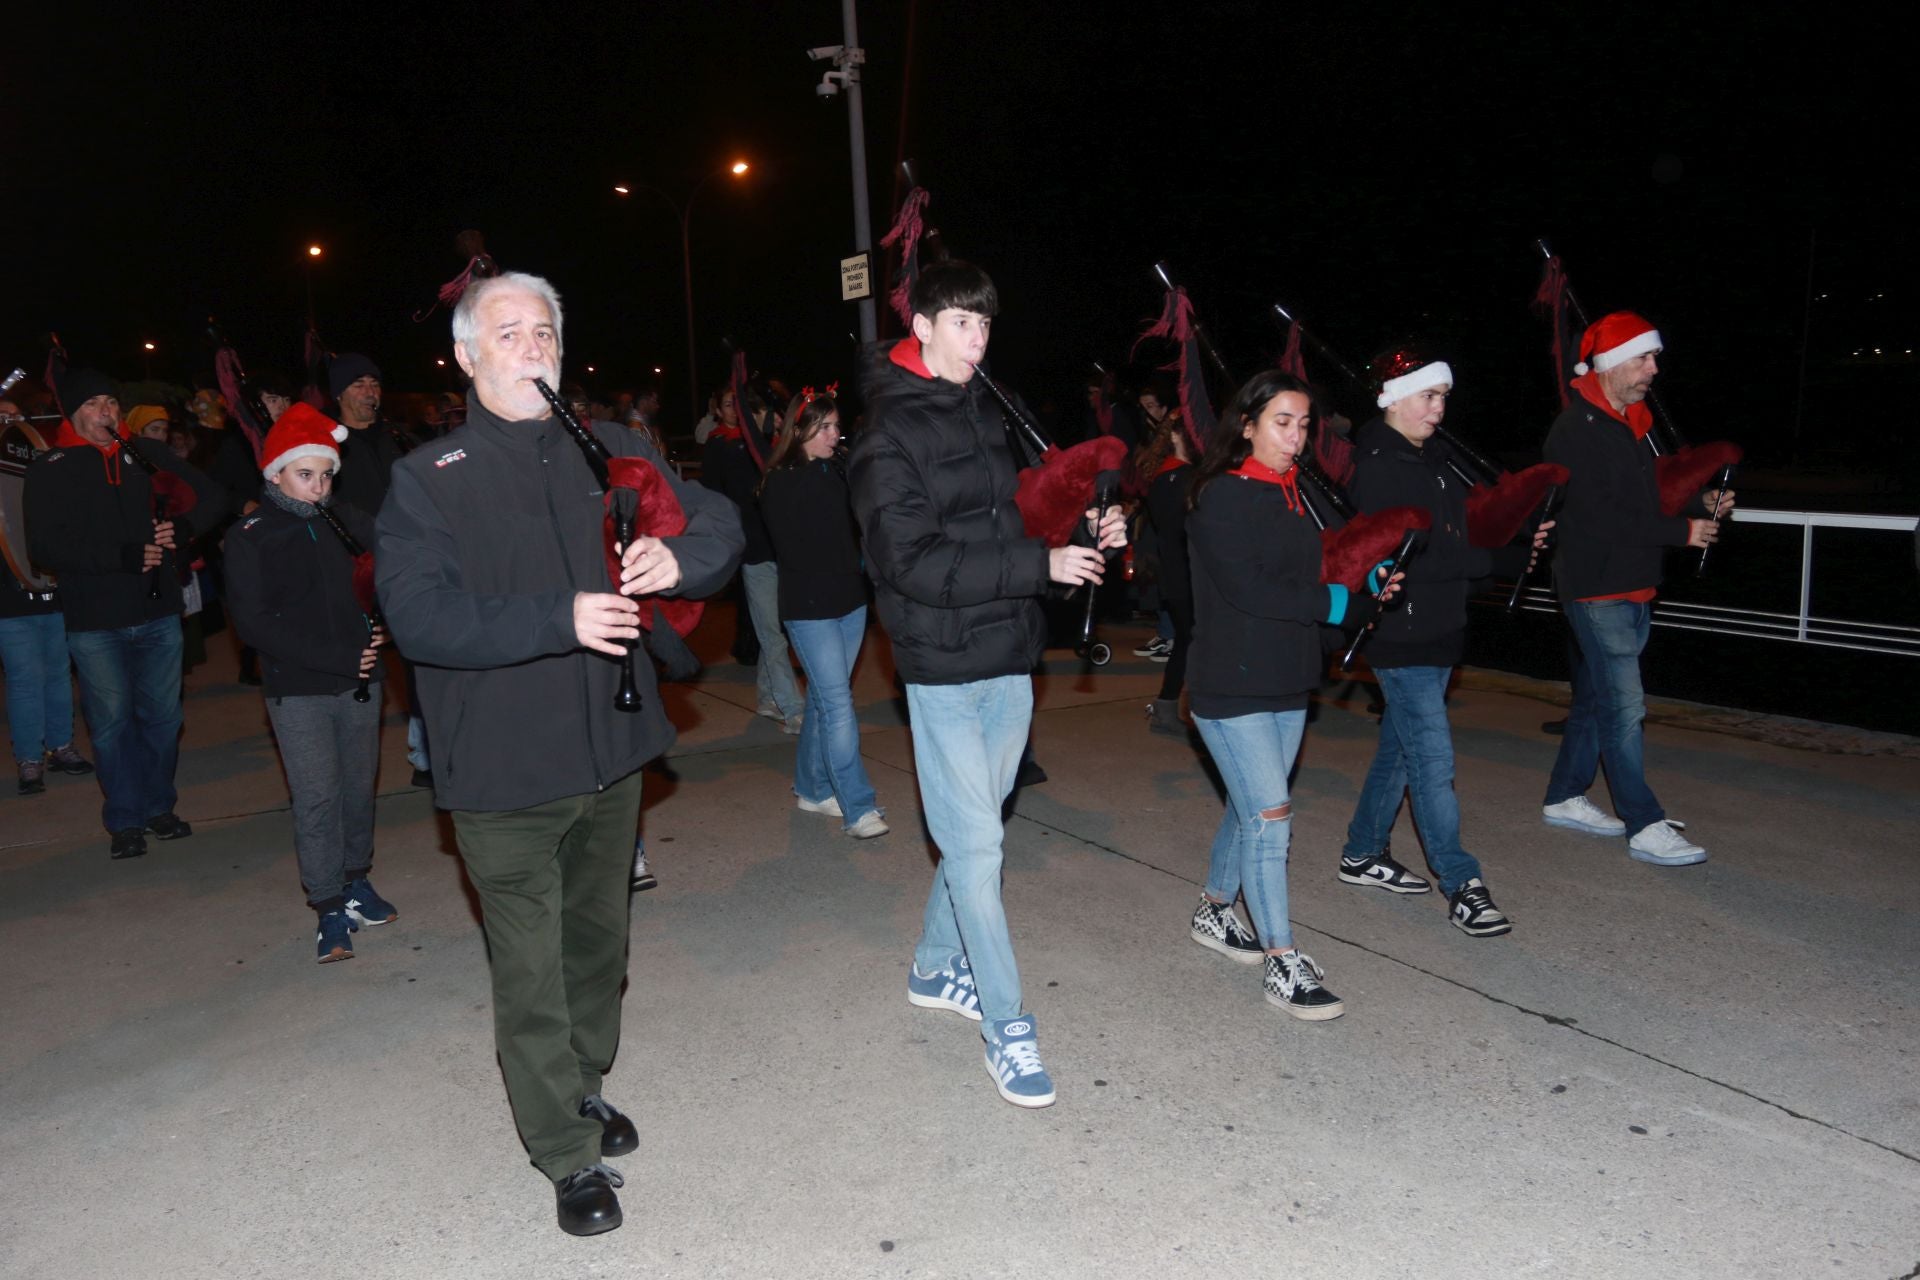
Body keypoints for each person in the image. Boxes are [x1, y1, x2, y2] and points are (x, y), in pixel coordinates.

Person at [376, 270, 743, 1235]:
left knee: (597, 949)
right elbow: (417, 616)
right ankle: (562, 1152)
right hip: (501, 772)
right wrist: (558, 616)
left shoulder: (611, 450)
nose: (531, 344)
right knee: (530, 968)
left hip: (614, 754)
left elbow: (717, 521)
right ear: (464, 356)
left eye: (544, 329)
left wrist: (680, 558)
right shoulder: (428, 479)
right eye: (508, 332)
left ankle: (578, 1085)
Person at [850, 259, 1125, 1109]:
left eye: (986, 324)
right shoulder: (882, 435)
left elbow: (1021, 509)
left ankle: (935, 968)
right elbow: (910, 561)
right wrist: (1038, 563)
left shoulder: (988, 408)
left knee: (978, 830)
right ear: (921, 326)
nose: (978, 339)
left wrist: (1082, 520)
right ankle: (1007, 1025)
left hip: (1011, 650)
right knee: (979, 850)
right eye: (962, 322)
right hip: (939, 661)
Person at [1183, 371, 1399, 1019]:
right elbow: (1254, 590)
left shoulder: (1293, 493)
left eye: (1304, 424)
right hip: (1232, 679)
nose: (1296, 436)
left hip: (1286, 676)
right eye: (1283, 421)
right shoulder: (1221, 496)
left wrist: (1369, 568)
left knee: (1252, 806)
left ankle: (1215, 912)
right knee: (1272, 817)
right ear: (1246, 424)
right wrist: (1344, 603)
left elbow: (1316, 559)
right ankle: (1284, 962)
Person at [1339, 353, 1548, 937]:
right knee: (1433, 761)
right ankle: (1462, 885)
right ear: (1392, 399)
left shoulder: (1432, 458)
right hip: (1400, 633)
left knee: (1401, 751)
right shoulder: (1379, 467)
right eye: (1427, 395)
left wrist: (1516, 537)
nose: (1439, 407)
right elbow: (1419, 557)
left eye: (1443, 396)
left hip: (1439, 630)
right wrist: (1496, 562)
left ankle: (1362, 852)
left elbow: (1459, 531)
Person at [1540, 313, 1732, 866]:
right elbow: (1597, 517)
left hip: (1635, 583)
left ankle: (1564, 796)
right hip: (1597, 586)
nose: (1654, 368)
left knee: (1597, 700)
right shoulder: (1576, 430)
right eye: (1644, 358)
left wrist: (1700, 506)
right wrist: (1683, 532)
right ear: (1610, 363)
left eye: (1654, 358)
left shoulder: (1634, 426)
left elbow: (1651, 497)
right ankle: (1643, 823)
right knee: (1625, 706)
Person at [24, 368, 227, 858]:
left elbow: (213, 497)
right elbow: (44, 545)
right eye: (94, 404)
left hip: (158, 614)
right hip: (96, 621)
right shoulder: (51, 465)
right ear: (73, 413)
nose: (106, 412)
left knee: (162, 719)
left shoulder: (146, 456)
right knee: (112, 724)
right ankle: (125, 820)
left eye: (111, 402)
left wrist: (181, 531)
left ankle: (160, 808)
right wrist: (119, 556)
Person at [225, 404, 396, 963]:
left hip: (359, 681)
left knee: (357, 784)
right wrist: (341, 654)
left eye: (327, 474)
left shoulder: (346, 520)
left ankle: (355, 880)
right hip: (296, 686)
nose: (319, 486)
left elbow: (392, 573)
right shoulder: (252, 535)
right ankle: (326, 907)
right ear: (276, 473)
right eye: (306, 474)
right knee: (318, 795)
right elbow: (253, 624)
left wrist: (383, 624)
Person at [759, 384, 888, 839]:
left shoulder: (839, 472)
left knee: (822, 699)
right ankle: (859, 806)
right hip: (809, 608)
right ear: (801, 428)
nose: (836, 434)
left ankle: (813, 790)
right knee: (838, 705)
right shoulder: (781, 481)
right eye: (826, 426)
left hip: (850, 603)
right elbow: (801, 543)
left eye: (837, 425)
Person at [1, 396, 92, 794]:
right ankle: (29, 758)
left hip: (53, 592)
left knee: (58, 674)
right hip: (9, 597)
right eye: (3, 417)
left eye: (16, 416)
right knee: (24, 678)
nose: (11, 424)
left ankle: (61, 747)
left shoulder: (45, 469)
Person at [702, 384, 802, 731]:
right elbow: (714, 499)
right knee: (772, 632)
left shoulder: (774, 450)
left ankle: (767, 697)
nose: (765, 419)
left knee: (775, 630)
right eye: (732, 405)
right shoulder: (721, 446)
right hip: (754, 551)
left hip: (782, 551)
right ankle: (792, 709)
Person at [1138, 412, 1194, 735]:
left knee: (1188, 640)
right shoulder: (1182, 477)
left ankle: (1167, 706)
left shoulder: (1165, 476)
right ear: (1175, 435)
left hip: (1176, 574)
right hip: (1185, 573)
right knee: (1193, 639)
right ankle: (1171, 707)